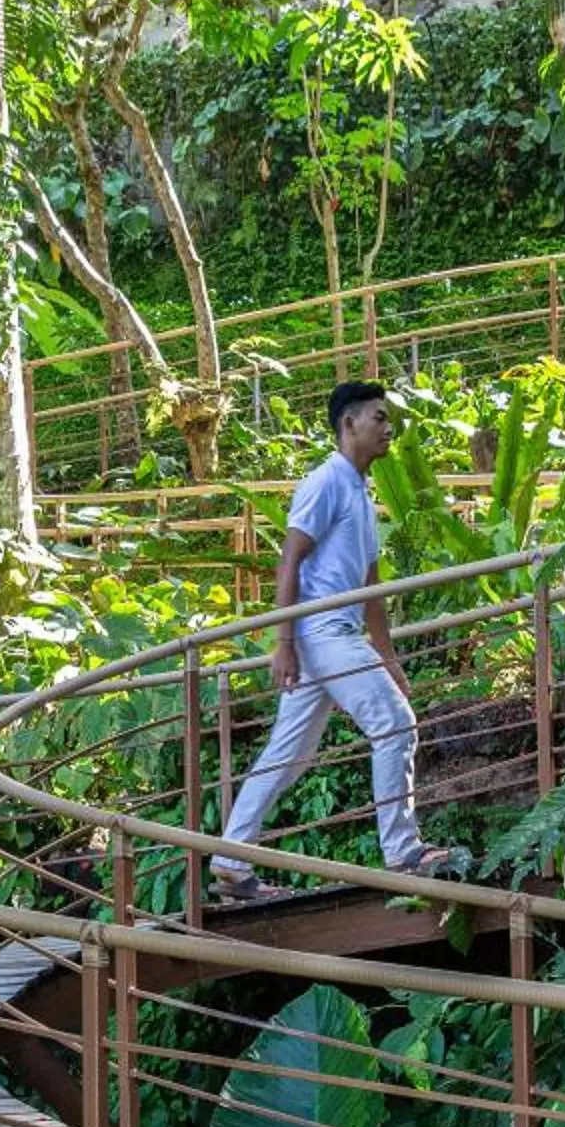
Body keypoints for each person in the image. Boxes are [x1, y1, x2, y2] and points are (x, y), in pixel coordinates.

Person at [210, 380, 471, 901]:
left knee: (290, 754)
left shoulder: (360, 491)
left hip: (337, 634)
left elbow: (372, 585)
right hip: (322, 631)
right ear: (348, 424)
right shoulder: (326, 481)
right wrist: (283, 640)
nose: (388, 427)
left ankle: (231, 862)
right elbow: (290, 560)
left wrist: (389, 657)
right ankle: (403, 852)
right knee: (394, 724)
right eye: (378, 417)